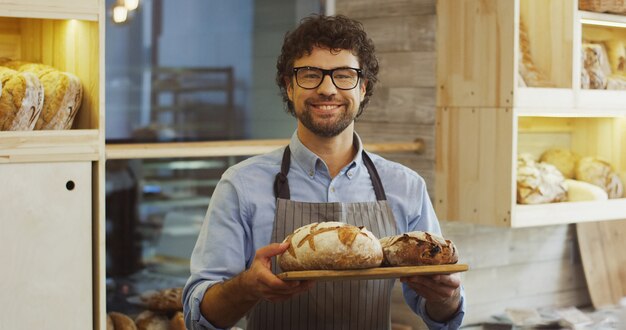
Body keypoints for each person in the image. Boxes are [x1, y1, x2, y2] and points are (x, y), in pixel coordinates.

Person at [183, 14, 465, 330]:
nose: (327, 89)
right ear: (289, 87)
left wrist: (446, 298)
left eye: (344, 75)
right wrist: (246, 287)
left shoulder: (406, 186)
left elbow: (443, 317)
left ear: (363, 87)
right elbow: (199, 318)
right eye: (310, 74)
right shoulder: (240, 185)